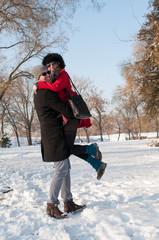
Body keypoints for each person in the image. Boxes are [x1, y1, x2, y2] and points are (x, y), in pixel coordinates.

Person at [33, 53, 107, 180]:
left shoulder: (63, 75)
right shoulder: (53, 78)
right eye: (48, 65)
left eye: (53, 63)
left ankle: (92, 150)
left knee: (66, 148)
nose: (51, 67)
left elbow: (56, 88)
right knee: (66, 148)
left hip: (72, 114)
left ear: (59, 64)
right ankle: (96, 163)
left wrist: (38, 84)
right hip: (65, 116)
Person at [32, 65, 86, 219]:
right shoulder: (45, 93)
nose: (49, 74)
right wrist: (66, 113)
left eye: (49, 72)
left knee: (65, 167)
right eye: (44, 73)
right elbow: (67, 110)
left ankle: (68, 202)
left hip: (55, 135)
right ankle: (51, 205)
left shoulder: (42, 91)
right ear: (38, 77)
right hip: (53, 137)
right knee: (61, 169)